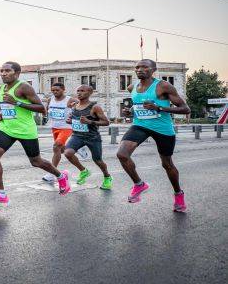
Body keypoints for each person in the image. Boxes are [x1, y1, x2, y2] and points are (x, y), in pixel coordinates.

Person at [0, 62, 71, 209]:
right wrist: (2, 114)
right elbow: (7, 107)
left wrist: (17, 103)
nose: (3, 73)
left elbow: (41, 109)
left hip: (25, 130)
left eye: (7, 71)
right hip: (6, 128)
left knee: (36, 161)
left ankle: (61, 176)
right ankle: (1, 194)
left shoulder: (24, 87)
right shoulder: (1, 88)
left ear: (17, 73)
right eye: (1, 71)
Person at [116, 59, 191, 212]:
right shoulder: (133, 87)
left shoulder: (163, 86)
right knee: (122, 154)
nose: (140, 69)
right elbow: (137, 105)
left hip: (162, 128)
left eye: (144, 67)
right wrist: (130, 111)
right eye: (137, 67)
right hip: (140, 125)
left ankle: (178, 193)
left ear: (153, 69)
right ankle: (139, 184)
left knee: (167, 164)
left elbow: (185, 109)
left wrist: (159, 108)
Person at [63, 85, 113, 189]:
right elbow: (74, 119)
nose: (79, 93)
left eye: (82, 91)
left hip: (92, 137)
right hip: (77, 135)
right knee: (67, 153)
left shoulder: (95, 107)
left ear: (90, 93)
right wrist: (70, 121)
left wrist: (89, 121)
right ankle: (83, 170)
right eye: (78, 91)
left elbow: (106, 122)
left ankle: (107, 177)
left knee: (98, 160)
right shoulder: (75, 105)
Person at [42, 82, 79, 183]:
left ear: (63, 90)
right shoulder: (50, 99)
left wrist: (75, 107)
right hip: (55, 127)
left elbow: (83, 105)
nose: (55, 92)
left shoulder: (69, 99)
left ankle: (51, 173)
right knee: (61, 149)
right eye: (53, 90)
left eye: (57, 90)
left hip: (66, 127)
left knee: (56, 146)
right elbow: (47, 111)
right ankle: (75, 149)